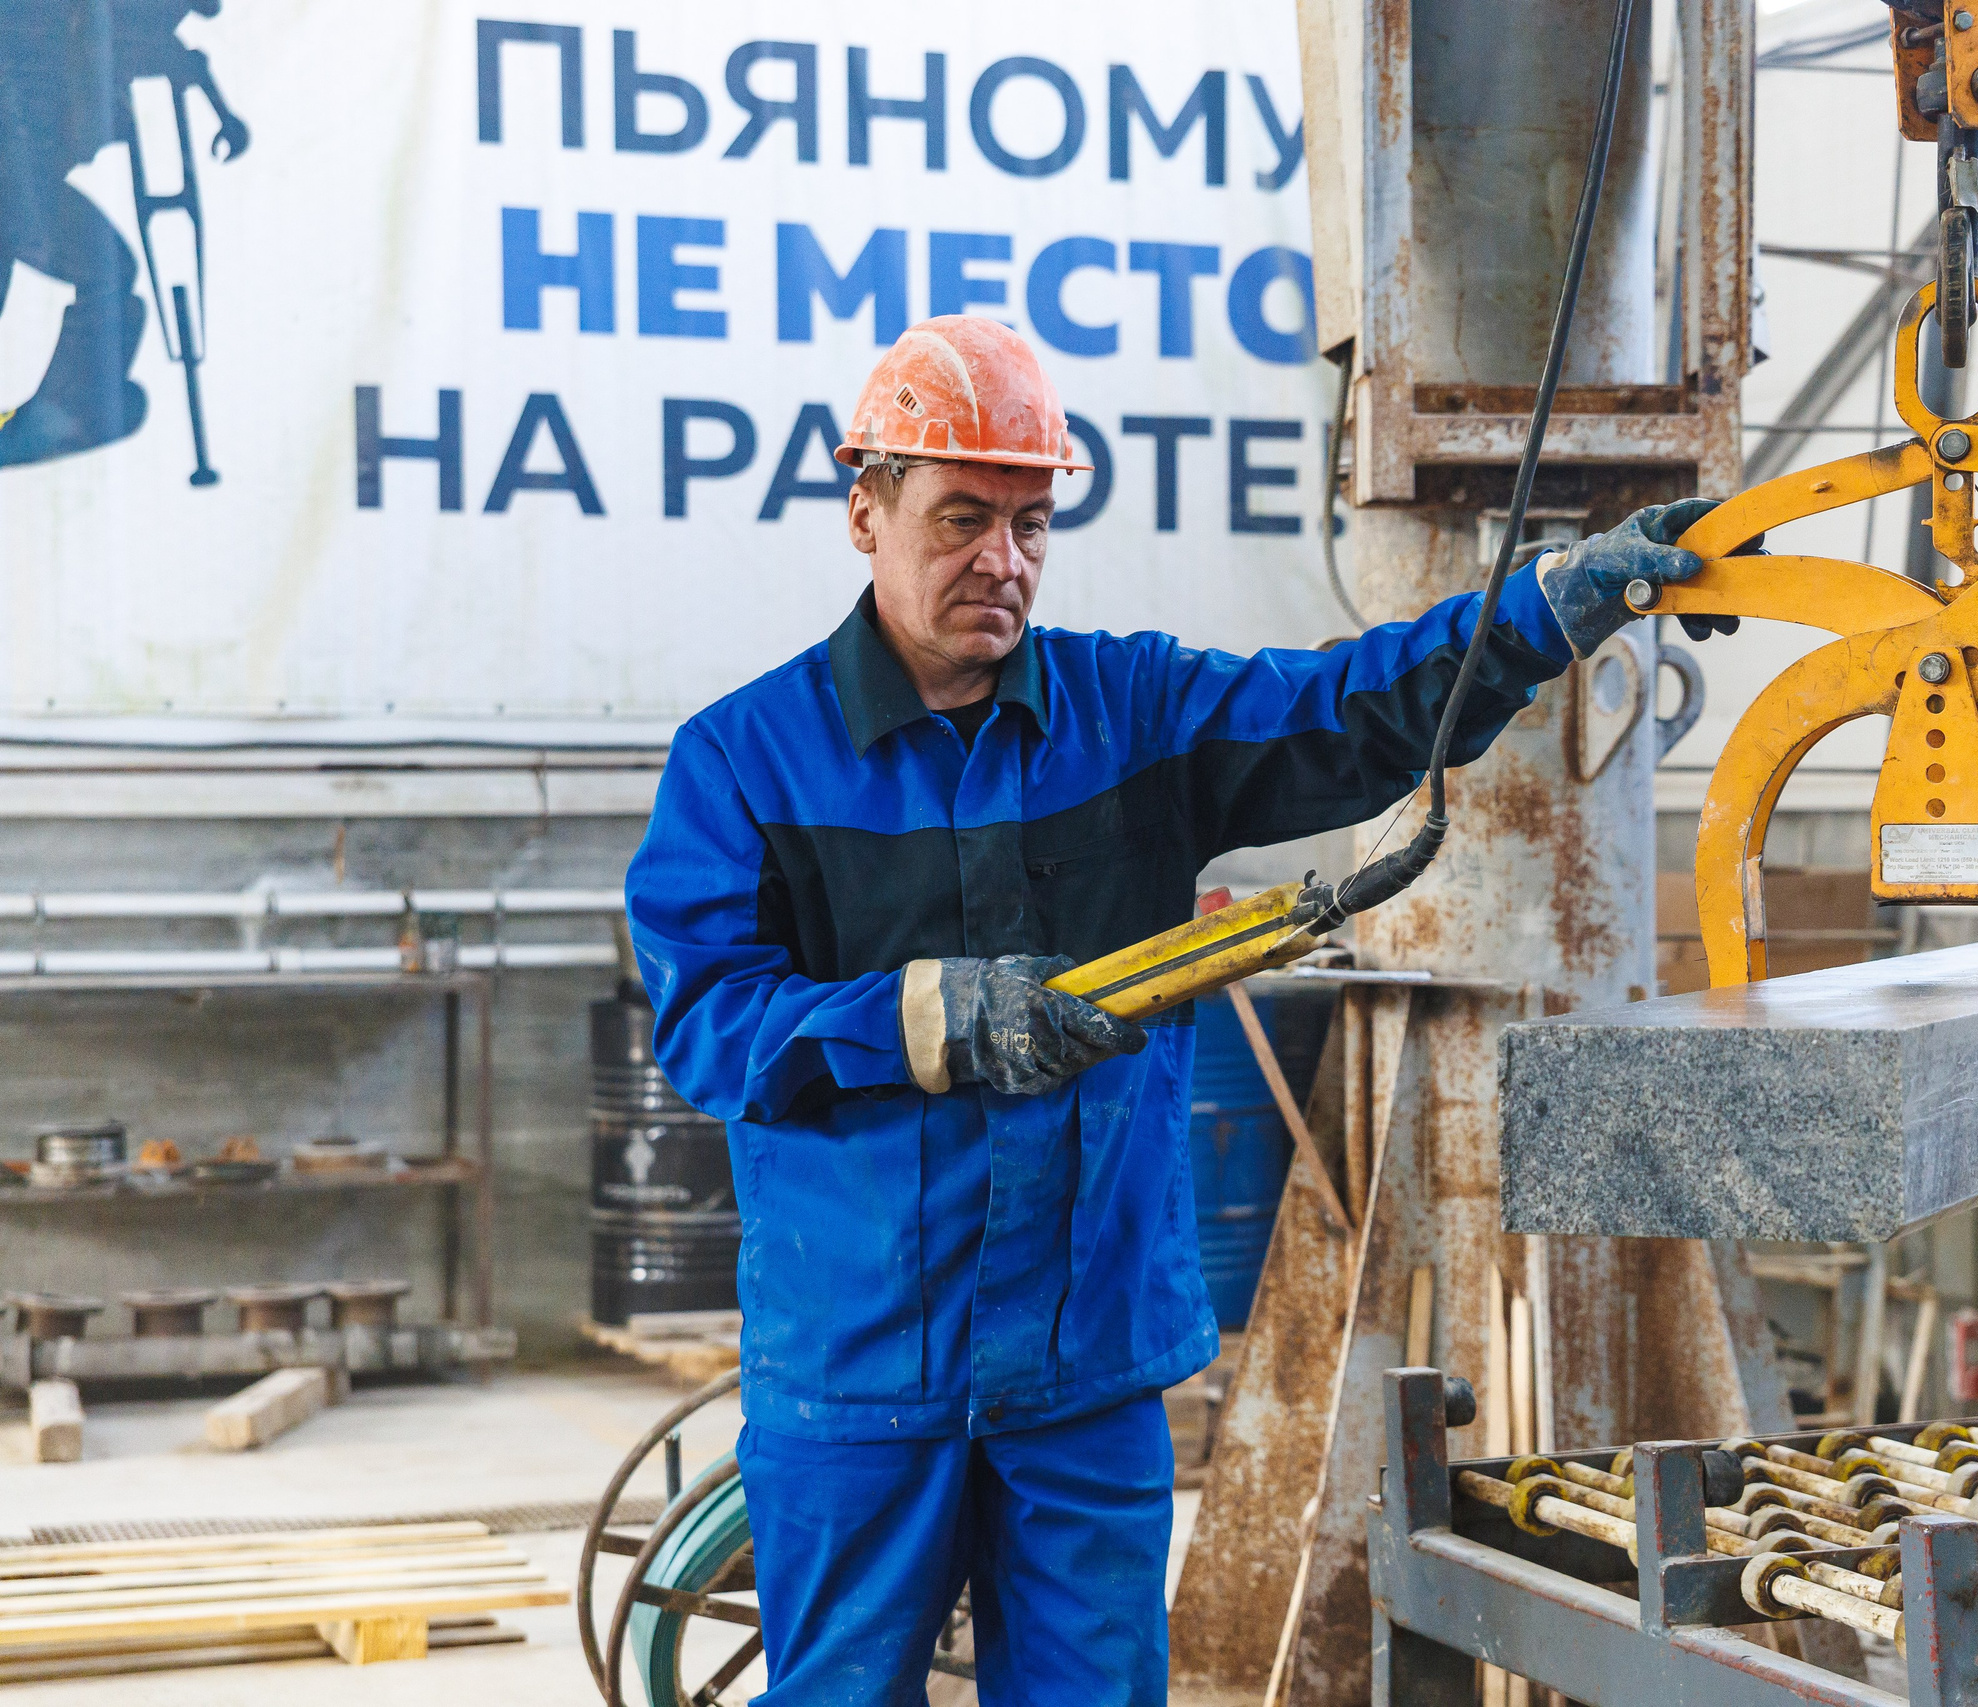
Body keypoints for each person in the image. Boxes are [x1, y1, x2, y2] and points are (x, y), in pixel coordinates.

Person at [624, 315, 1729, 1705]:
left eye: (1030, 523)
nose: (1002, 558)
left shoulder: (1132, 713)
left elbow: (1353, 707)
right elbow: (710, 1023)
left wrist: (1544, 610)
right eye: (962, 518)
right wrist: (930, 1017)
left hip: (1084, 1364)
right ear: (867, 512)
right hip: (864, 1363)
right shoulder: (743, 760)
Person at [0, 0, 248, 467]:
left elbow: (180, 61)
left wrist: (224, 118)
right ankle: (59, 416)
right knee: (105, 271)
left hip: (28, 180)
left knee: (109, 271)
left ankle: (60, 414)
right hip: (15, 178)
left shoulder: (126, 31)